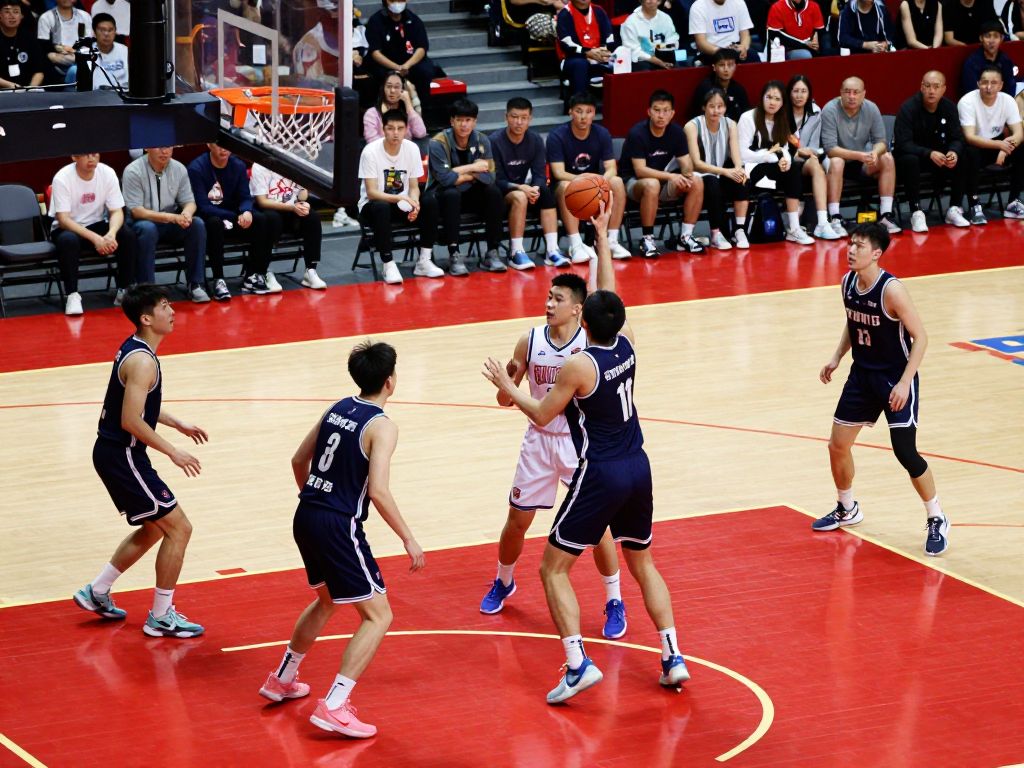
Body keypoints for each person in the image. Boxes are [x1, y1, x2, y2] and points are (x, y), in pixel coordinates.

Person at [482, 194, 691, 704]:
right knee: (645, 561)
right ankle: (672, 656)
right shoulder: (627, 342)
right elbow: (609, 296)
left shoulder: (580, 364)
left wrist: (506, 388)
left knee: (553, 567)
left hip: (595, 464)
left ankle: (577, 663)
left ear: (583, 318)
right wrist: (601, 237)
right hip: (638, 465)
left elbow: (538, 412)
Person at [257, 340, 425, 738]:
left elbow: (299, 461)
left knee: (328, 598)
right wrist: (409, 539)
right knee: (379, 615)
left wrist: (314, 499)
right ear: (391, 381)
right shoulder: (382, 426)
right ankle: (334, 704)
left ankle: (282, 678)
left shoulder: (336, 407)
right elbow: (379, 491)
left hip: (306, 514)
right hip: (337, 524)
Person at [479, 242, 629, 638]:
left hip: (579, 444)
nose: (548, 304)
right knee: (517, 521)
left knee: (598, 529)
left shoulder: (590, 345)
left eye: (557, 298)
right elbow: (503, 401)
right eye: (548, 296)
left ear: (578, 308)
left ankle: (614, 599)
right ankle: (504, 580)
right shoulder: (529, 341)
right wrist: (507, 382)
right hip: (538, 441)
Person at [73, 284, 207, 638]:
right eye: (165, 306)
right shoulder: (143, 360)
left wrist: (177, 422)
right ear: (147, 318)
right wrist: (173, 451)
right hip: (122, 455)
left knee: (154, 527)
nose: (173, 311)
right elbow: (130, 420)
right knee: (179, 528)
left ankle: (96, 591)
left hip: (117, 453)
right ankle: (161, 616)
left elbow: (136, 404)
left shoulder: (137, 351)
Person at [814, 222, 950, 558]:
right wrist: (836, 357)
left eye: (858, 246)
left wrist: (905, 382)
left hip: (894, 378)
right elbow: (853, 321)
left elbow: (922, 337)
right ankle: (847, 507)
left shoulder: (892, 290)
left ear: (876, 253)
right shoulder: (847, 282)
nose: (850, 250)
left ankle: (937, 517)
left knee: (905, 452)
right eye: (850, 244)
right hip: (862, 376)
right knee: (837, 445)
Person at [358, 108, 444, 284]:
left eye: (400, 128)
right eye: (390, 128)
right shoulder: (370, 151)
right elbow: (372, 192)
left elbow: (414, 186)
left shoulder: (412, 148)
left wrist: (414, 204)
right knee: (381, 206)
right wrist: (401, 199)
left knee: (429, 201)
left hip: (401, 203)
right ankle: (388, 264)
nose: (395, 133)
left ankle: (424, 260)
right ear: (383, 129)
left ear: (406, 129)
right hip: (372, 206)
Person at [621, 89, 707, 257]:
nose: (661, 115)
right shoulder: (637, 133)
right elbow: (640, 171)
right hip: (633, 184)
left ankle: (686, 236)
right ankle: (647, 239)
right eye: (657, 110)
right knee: (651, 183)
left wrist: (687, 173)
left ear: (672, 113)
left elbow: (685, 164)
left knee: (696, 182)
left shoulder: (676, 133)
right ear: (649, 112)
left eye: (666, 110)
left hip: (662, 183)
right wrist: (671, 176)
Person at [547, 91, 631, 261]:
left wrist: (598, 182)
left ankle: (611, 241)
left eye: (588, 111)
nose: (583, 117)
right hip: (564, 189)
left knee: (616, 181)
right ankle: (575, 244)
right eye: (579, 111)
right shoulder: (557, 136)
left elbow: (611, 168)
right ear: (570, 112)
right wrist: (587, 182)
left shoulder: (602, 133)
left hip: (593, 186)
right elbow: (558, 173)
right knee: (565, 185)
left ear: (594, 113)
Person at [427, 98, 507, 275]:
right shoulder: (438, 143)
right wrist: (473, 168)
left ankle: (492, 252)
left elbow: (490, 176)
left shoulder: (482, 140)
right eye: (460, 120)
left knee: (493, 192)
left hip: (471, 194)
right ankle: (454, 254)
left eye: (468, 120)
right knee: (451, 194)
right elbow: (445, 180)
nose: (464, 125)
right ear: (452, 121)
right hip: (443, 199)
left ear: (475, 121)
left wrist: (460, 175)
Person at [49, 153, 135, 316]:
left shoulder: (107, 173)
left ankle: (125, 290)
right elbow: (63, 219)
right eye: (85, 155)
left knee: (127, 235)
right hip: (68, 228)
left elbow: (117, 211)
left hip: (97, 224)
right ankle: (72, 295)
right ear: (74, 157)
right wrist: (96, 239)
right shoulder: (62, 177)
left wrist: (111, 233)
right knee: (68, 240)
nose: (91, 159)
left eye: (94, 154)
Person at [122, 147, 210, 304]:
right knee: (147, 230)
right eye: (159, 147)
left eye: (168, 147)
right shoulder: (133, 170)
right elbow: (137, 211)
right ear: (147, 148)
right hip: (142, 222)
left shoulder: (179, 168)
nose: (165, 152)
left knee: (197, 224)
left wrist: (187, 214)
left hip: (170, 222)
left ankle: (196, 284)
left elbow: (189, 201)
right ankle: (148, 290)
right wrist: (171, 217)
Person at [490, 96, 568, 269]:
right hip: (502, 193)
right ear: (506, 117)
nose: (519, 122)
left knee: (546, 192)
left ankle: (552, 250)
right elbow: (496, 179)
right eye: (514, 117)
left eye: (524, 118)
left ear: (530, 119)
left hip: (526, 190)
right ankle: (515, 252)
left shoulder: (536, 140)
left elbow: (540, 174)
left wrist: (535, 189)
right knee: (519, 196)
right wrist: (521, 188)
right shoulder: (494, 141)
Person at [187, 142, 271, 299]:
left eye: (225, 144)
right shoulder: (196, 168)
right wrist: (233, 216)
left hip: (234, 215)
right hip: (210, 217)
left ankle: (252, 274)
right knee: (214, 223)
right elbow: (202, 206)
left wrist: (246, 211)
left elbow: (245, 197)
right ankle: (218, 279)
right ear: (209, 145)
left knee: (260, 219)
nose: (223, 148)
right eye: (218, 145)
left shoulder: (237, 165)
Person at [738, 80, 817, 244]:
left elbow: (786, 148)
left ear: (783, 102)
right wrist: (771, 157)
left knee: (793, 168)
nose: (772, 102)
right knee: (787, 172)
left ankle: (794, 228)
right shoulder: (748, 118)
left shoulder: (782, 120)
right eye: (769, 97)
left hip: (771, 176)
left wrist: (785, 161)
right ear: (762, 98)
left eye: (777, 99)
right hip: (751, 174)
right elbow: (741, 154)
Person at [820, 77, 902, 236]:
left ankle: (886, 215)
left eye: (856, 92)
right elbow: (830, 149)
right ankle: (835, 217)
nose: (851, 96)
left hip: (862, 162)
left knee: (887, 158)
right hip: (837, 162)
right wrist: (860, 155)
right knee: (836, 161)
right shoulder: (830, 109)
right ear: (840, 93)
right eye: (847, 92)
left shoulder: (871, 108)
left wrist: (874, 152)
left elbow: (881, 142)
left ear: (863, 94)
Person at [893, 71, 970, 232]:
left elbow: (958, 138)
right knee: (909, 160)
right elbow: (903, 143)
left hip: (940, 158)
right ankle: (916, 211)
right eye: (927, 86)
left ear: (944, 89)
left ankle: (954, 208)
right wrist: (928, 153)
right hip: (916, 158)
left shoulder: (949, 107)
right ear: (921, 87)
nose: (931, 91)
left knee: (964, 155)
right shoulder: (908, 108)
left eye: (936, 87)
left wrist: (953, 152)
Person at [685, 88, 750, 250]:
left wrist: (738, 170)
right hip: (697, 176)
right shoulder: (692, 126)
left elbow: (736, 158)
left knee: (742, 178)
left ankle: (739, 229)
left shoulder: (730, 124)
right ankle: (716, 234)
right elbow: (696, 163)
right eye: (712, 106)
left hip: (720, 173)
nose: (716, 110)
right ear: (704, 107)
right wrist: (726, 172)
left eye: (720, 106)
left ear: (725, 108)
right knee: (713, 182)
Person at [957, 65, 1024, 222]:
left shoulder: (1007, 100)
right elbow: (969, 137)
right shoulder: (967, 101)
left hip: (998, 143)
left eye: (994, 83)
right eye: (984, 82)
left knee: (1022, 148)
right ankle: (974, 205)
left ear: (1000, 85)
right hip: (977, 146)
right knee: (970, 152)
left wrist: (1005, 148)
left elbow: (1019, 133)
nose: (988, 87)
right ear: (978, 83)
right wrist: (1000, 146)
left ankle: (1013, 202)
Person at [250, 163, 328, 292]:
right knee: (272, 219)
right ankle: (263, 271)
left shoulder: (291, 162)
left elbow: (301, 196)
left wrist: (303, 201)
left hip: (292, 210)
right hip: (269, 210)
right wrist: (292, 207)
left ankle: (311, 271)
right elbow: (262, 202)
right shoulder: (260, 165)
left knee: (312, 217)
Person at [786, 74, 842, 240]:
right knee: (813, 163)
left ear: (809, 93)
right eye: (795, 91)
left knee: (825, 164)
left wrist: (806, 152)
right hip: (787, 159)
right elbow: (778, 143)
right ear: (789, 93)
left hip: (809, 157)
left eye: (804, 91)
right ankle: (820, 222)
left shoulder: (816, 111)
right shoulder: (781, 112)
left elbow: (815, 145)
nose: (799, 95)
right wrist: (797, 152)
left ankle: (825, 222)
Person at [365, 0, 436, 108]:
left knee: (425, 71)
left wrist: (406, 66)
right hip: (386, 64)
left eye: (400, 0)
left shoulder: (413, 19)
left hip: (409, 63)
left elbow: (421, 48)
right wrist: (397, 67)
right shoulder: (375, 21)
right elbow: (375, 53)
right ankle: (385, 112)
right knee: (378, 75)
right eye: (393, 0)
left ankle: (423, 111)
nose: (397, 3)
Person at [554, 0, 614, 99]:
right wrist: (587, 52)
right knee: (580, 64)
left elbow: (609, 36)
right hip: (573, 57)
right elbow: (567, 44)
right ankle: (580, 103)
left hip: (600, 54)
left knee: (624, 57)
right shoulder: (565, 14)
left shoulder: (599, 11)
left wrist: (604, 50)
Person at [363, 71, 426, 143]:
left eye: (397, 87)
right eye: (389, 86)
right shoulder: (372, 114)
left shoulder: (408, 112)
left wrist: (408, 104)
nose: (392, 90)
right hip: (382, 152)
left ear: (403, 90)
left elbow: (421, 133)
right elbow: (372, 142)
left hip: (406, 151)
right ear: (383, 88)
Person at [690, 48, 750, 122]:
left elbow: (746, 115)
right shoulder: (706, 88)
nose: (726, 69)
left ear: (735, 66)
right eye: (722, 65)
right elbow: (696, 116)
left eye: (730, 65)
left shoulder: (738, 89)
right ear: (714, 67)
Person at [35, 0, 89, 82]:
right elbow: (43, 46)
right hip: (56, 61)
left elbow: (88, 42)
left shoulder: (84, 16)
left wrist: (73, 51)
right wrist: (60, 48)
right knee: (50, 56)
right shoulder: (46, 17)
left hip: (79, 57)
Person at [960, 20, 1016, 98]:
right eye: (987, 36)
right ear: (981, 38)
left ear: (1002, 38)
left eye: (996, 36)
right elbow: (971, 92)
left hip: (1001, 102)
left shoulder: (1006, 60)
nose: (991, 41)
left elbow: (1010, 87)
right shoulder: (972, 62)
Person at [620, 0, 680, 71]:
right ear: (641, 1)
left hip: (663, 56)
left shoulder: (666, 18)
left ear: (659, 1)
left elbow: (674, 43)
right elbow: (633, 51)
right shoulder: (631, 22)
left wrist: (658, 47)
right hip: (641, 62)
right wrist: (658, 62)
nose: (651, 1)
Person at [689, 0, 754, 63]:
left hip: (735, 47)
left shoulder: (739, 2)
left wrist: (744, 47)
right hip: (711, 51)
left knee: (753, 56)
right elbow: (701, 43)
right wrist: (723, 52)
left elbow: (745, 34)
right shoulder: (698, 7)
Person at [0, 0, 45, 88]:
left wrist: (31, 88)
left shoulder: (29, 38)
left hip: (27, 90)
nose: (12, 16)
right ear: (0, 15)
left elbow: (39, 71)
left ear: (22, 16)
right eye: (7, 12)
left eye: (16, 12)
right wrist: (11, 86)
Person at [86, 12, 127, 89]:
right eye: (102, 30)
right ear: (94, 33)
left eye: (110, 30)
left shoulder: (125, 51)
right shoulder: (87, 52)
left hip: (123, 95)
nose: (106, 34)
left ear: (115, 32)